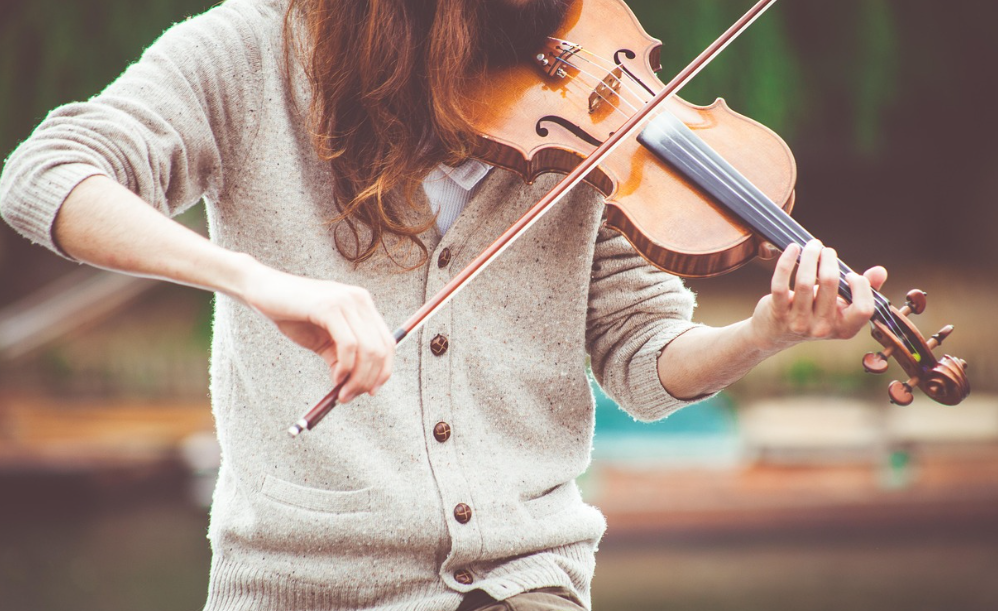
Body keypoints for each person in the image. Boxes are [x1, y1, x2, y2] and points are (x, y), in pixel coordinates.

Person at [0, 0, 886, 609]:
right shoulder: (249, 50)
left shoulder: (584, 109)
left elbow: (645, 360)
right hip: (300, 583)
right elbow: (46, 175)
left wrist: (764, 332)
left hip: (523, 577)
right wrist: (256, 280)